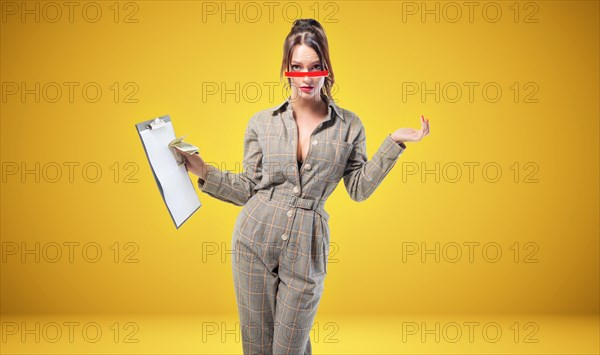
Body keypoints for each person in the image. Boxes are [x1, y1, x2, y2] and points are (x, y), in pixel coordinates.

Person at [175, 18, 430, 355]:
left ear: (327, 67)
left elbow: (358, 188)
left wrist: (394, 143)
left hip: (307, 248)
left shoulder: (350, 126)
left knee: (289, 348)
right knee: (257, 347)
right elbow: (250, 186)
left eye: (315, 66)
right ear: (286, 69)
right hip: (253, 240)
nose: (306, 77)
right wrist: (202, 169)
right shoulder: (262, 123)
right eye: (296, 67)